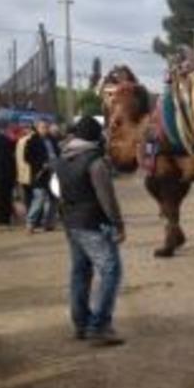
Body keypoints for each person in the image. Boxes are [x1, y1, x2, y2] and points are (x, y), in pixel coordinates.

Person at [53, 116, 126, 346]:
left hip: (71, 223)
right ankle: (100, 325)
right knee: (111, 271)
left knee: (80, 273)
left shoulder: (62, 159)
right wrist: (118, 224)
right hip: (92, 224)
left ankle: (81, 324)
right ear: (96, 136)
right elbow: (107, 197)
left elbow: (56, 191)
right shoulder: (95, 162)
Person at [25, 120, 60, 234]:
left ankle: (49, 223)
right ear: (37, 128)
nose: (45, 129)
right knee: (39, 199)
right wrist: (41, 163)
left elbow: (58, 153)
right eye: (42, 127)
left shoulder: (53, 140)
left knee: (54, 199)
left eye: (46, 127)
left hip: (53, 173)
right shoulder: (32, 141)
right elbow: (27, 157)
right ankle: (30, 223)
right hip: (40, 174)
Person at [15, 124, 35, 211]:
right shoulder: (34, 140)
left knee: (27, 194)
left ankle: (29, 210)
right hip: (32, 171)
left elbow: (18, 158)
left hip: (23, 172)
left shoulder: (20, 141)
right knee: (34, 194)